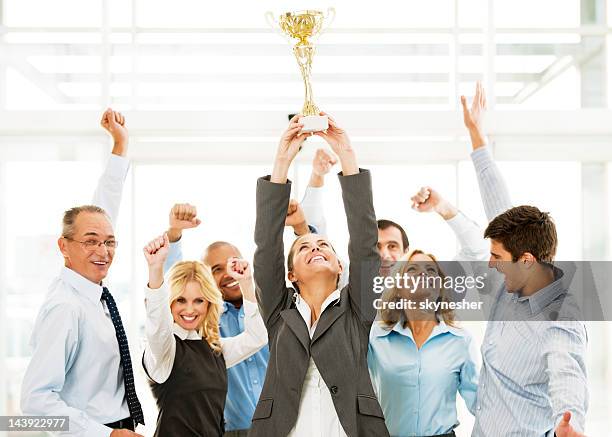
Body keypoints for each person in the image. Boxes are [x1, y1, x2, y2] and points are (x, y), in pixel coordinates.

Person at [250, 113, 389, 437]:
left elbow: (365, 244)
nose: (316, 247)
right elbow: (266, 244)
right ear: (290, 273)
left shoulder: (358, 307)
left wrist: (347, 156)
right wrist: (282, 160)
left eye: (324, 244)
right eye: (303, 247)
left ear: (341, 266)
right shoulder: (278, 309)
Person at [462, 82, 588, 437]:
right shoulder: (514, 274)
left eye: (496, 257)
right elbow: (497, 201)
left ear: (527, 260)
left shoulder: (561, 316)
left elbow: (568, 372)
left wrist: (569, 422)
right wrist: (476, 136)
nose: (490, 264)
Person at [21, 110, 145, 436]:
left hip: (120, 427)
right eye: (91, 242)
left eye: (110, 242)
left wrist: (120, 145)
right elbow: (35, 403)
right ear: (64, 246)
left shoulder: (91, 285)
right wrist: (105, 434)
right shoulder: (66, 307)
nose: (103, 251)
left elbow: (105, 208)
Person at [142, 233, 268, 436]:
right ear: (169, 302)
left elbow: (257, 337)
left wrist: (245, 282)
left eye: (199, 300)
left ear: (209, 303)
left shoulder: (215, 349)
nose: (190, 310)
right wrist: (155, 269)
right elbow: (157, 326)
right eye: (181, 300)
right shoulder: (164, 350)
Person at [368, 249, 479, 437]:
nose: (423, 274)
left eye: (431, 270)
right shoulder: (376, 337)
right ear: (399, 288)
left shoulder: (460, 340)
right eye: (412, 269)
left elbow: (482, 405)